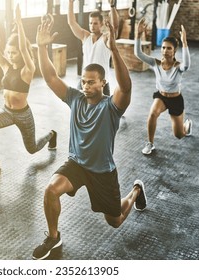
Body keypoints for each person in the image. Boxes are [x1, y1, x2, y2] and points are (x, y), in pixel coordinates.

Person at [32, 13, 147, 260]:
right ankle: (53, 238)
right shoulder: (75, 99)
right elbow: (52, 77)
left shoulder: (111, 107)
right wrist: (42, 48)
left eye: (92, 82)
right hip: (76, 164)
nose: (86, 86)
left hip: (102, 171)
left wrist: (115, 50)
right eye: (84, 81)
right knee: (51, 190)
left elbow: (126, 88)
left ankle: (136, 190)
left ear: (103, 83)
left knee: (115, 221)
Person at [0, 4, 57, 178]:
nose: (10, 55)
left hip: (23, 115)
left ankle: (51, 135)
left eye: (13, 52)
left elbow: (23, 48)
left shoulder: (27, 69)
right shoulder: (5, 66)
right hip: (6, 112)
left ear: (21, 54)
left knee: (32, 149)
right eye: (8, 52)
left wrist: (20, 24)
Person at [134, 18, 192, 155]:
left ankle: (186, 126)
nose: (165, 51)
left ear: (174, 51)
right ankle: (150, 143)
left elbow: (187, 65)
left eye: (169, 48)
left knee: (179, 135)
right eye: (163, 47)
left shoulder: (178, 67)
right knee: (152, 113)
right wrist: (137, 35)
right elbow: (138, 54)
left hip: (176, 99)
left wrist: (184, 43)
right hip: (161, 96)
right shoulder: (155, 63)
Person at [67, 0, 120, 96]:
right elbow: (72, 23)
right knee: (80, 109)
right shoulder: (85, 36)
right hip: (85, 82)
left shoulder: (106, 38)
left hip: (101, 83)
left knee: (103, 110)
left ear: (101, 24)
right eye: (90, 23)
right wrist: (70, 3)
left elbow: (115, 27)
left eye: (95, 23)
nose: (92, 26)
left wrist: (112, 6)